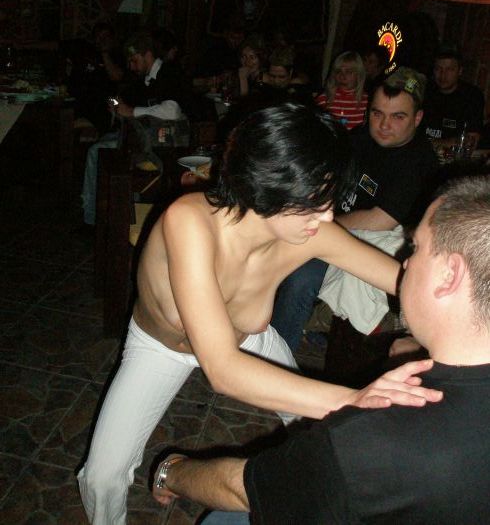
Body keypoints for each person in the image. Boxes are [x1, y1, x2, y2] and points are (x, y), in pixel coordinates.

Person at [78, 103, 442, 524]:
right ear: (266, 186)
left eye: (328, 199)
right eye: (314, 201)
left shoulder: (312, 232)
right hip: (164, 350)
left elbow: (403, 283)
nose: (327, 215)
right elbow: (224, 371)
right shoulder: (190, 222)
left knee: (324, 433)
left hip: (247, 340)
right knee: (102, 478)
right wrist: (354, 400)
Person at [152, 175, 490, 525]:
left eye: (415, 248)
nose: (405, 261)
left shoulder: (371, 440)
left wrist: (172, 471)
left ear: (450, 276)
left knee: (225, 518)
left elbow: (243, 488)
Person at [272, 67, 438, 351]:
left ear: (418, 118)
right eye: (377, 113)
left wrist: (316, 226)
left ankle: (275, 354)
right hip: (333, 225)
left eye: (398, 116)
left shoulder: (418, 161)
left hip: (371, 243)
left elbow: (380, 220)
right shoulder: (361, 138)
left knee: (302, 277)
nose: (384, 124)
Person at [80, 31, 187, 227]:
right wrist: (114, 104)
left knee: (97, 152)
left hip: (165, 144)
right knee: (100, 149)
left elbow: (172, 110)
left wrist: (131, 111)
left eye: (134, 60)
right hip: (140, 139)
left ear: (148, 55)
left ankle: (97, 220)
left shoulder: (170, 73)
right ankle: (101, 218)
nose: (130, 66)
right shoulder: (140, 78)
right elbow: (117, 97)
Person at [422, 43, 484, 146]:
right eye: (438, 69)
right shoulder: (425, 90)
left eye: (449, 69)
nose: (443, 75)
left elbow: (471, 139)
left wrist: (436, 144)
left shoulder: (472, 96)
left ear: (460, 71)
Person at [315, 51, 368, 130]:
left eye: (348, 72)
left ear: (358, 75)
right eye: (338, 71)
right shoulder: (324, 99)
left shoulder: (367, 102)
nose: (342, 76)